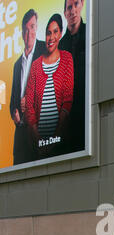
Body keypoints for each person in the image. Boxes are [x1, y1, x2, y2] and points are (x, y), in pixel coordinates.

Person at [26, 14, 74, 159]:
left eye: (55, 32)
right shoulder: (35, 66)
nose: (51, 37)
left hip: (61, 144)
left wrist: (54, 140)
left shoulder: (67, 58)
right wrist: (40, 141)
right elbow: (29, 107)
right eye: (48, 33)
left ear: (60, 34)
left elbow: (67, 102)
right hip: (37, 146)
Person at [10, 10, 46, 165]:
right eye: (25, 29)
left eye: (32, 27)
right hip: (21, 136)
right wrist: (14, 113)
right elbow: (12, 100)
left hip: (40, 133)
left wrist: (30, 99)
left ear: (36, 27)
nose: (28, 33)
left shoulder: (45, 50)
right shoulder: (17, 64)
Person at [59, 0, 86, 153]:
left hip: (86, 117)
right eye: (69, 7)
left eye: (76, 4)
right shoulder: (60, 46)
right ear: (65, 13)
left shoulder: (91, 34)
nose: (73, 10)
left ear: (82, 4)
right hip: (66, 123)